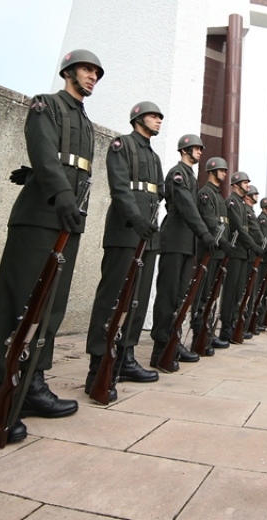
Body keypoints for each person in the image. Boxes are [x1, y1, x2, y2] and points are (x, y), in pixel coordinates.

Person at [0, 49, 103, 443]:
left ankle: (32, 382)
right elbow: (44, 150)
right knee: (20, 301)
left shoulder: (84, 121)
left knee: (51, 306)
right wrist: (57, 190)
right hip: (41, 214)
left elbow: (64, 163)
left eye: (96, 74)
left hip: (69, 217)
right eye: (86, 70)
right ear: (68, 71)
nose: (92, 77)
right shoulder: (46, 104)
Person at [83, 101, 165, 400]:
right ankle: (98, 365)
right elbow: (119, 187)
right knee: (113, 297)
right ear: (138, 118)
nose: (159, 121)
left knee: (138, 300)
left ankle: (127, 357)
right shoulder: (122, 145)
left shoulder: (154, 157)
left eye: (159, 117)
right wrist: (135, 218)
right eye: (154, 116)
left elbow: (159, 193)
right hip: (126, 230)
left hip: (148, 235)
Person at [149, 134, 222, 369]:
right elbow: (187, 208)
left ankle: (173, 340)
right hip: (174, 240)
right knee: (168, 295)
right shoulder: (177, 173)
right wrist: (204, 234)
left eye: (200, 148)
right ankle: (160, 348)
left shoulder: (191, 176)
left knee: (181, 297)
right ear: (184, 151)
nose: (200, 151)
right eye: (195, 148)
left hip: (186, 241)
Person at [190, 157, 231, 352]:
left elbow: (224, 225)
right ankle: (199, 336)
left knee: (212, 295)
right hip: (208, 251)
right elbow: (210, 221)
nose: (225, 173)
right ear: (212, 171)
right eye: (222, 170)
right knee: (202, 295)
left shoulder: (219, 196)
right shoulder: (206, 194)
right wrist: (221, 241)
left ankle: (208, 333)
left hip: (218, 254)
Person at [220, 171, 263, 343]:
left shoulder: (241, 204)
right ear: (236, 185)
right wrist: (252, 245)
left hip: (243, 253)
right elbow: (238, 226)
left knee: (239, 291)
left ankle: (234, 324)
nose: (247, 186)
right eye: (245, 183)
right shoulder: (231, 202)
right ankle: (226, 327)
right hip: (235, 251)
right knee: (230, 291)